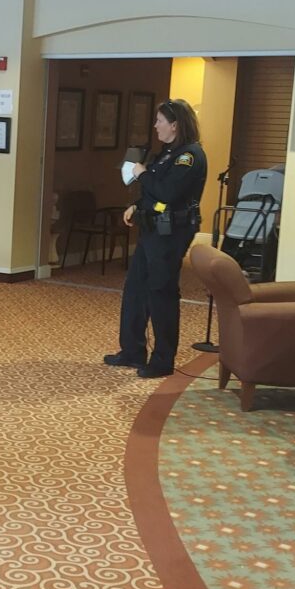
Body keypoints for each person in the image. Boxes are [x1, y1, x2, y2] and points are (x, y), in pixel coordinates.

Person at [104, 98, 207, 379]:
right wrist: (137, 206)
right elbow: (154, 195)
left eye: (160, 121)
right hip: (152, 229)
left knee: (161, 293)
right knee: (136, 289)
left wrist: (142, 173)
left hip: (171, 233)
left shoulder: (189, 156)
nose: (155, 126)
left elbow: (168, 192)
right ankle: (133, 350)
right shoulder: (167, 154)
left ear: (174, 125)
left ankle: (162, 359)